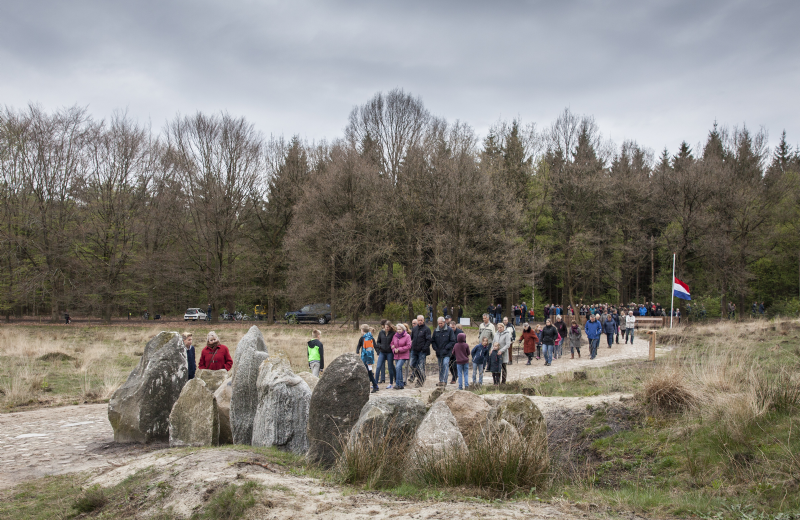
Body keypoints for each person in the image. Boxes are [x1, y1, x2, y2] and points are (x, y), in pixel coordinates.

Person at [431, 317, 455, 387]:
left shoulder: (449, 330)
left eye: (441, 323)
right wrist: (435, 348)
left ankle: (444, 380)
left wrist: (446, 348)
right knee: (440, 366)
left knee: (445, 364)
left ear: (444, 322)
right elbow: (433, 341)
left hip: (447, 352)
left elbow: (452, 341)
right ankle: (441, 380)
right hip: (439, 352)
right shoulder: (436, 331)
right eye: (439, 323)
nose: (440, 324)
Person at [409, 314, 431, 387]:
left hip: (422, 351)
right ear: (417, 320)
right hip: (414, 350)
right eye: (419, 320)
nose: (420, 321)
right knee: (412, 364)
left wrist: (424, 348)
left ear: (423, 320)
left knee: (421, 366)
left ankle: (420, 380)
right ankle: (420, 377)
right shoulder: (414, 329)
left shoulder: (427, 329)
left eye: (421, 320)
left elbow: (428, 340)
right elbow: (411, 338)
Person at [357, 324, 379, 393]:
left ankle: (375, 386)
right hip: (364, 358)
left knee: (369, 373)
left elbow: (369, 351)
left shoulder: (368, 339)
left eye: (361, 330)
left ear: (363, 330)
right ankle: (375, 386)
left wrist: (369, 361)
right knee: (368, 373)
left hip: (367, 360)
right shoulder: (364, 338)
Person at [391, 324, 411, 389]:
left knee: (398, 367)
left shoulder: (407, 336)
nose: (398, 331)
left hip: (404, 355)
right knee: (398, 369)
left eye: (400, 329)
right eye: (397, 329)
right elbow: (392, 344)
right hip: (396, 355)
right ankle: (401, 384)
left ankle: (397, 383)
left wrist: (399, 349)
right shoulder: (395, 336)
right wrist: (393, 349)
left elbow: (408, 346)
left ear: (403, 329)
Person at [376, 321, 396, 389]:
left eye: (388, 327)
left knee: (390, 367)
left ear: (390, 327)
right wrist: (380, 346)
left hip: (390, 352)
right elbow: (378, 341)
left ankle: (390, 383)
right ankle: (375, 383)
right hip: (382, 352)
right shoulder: (381, 332)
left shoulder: (393, 333)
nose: (387, 328)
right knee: (378, 367)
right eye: (386, 327)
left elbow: (395, 342)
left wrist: (392, 346)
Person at [449, 319, 464, 384]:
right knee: (450, 365)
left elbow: (464, 342)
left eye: (453, 327)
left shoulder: (460, 332)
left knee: (455, 365)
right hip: (450, 350)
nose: (452, 329)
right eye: (451, 327)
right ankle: (454, 375)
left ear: (455, 326)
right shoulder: (447, 332)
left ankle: (454, 379)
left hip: (458, 351)